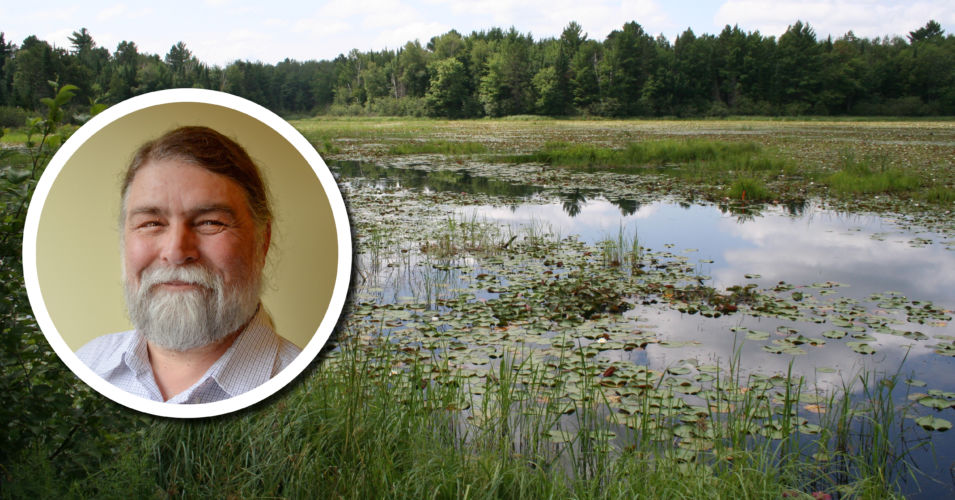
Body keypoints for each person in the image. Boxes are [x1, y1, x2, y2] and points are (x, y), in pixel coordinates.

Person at [77, 126, 300, 404]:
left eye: (210, 222)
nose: (176, 252)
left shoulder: (316, 397)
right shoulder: (84, 366)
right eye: (151, 224)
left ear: (261, 242)